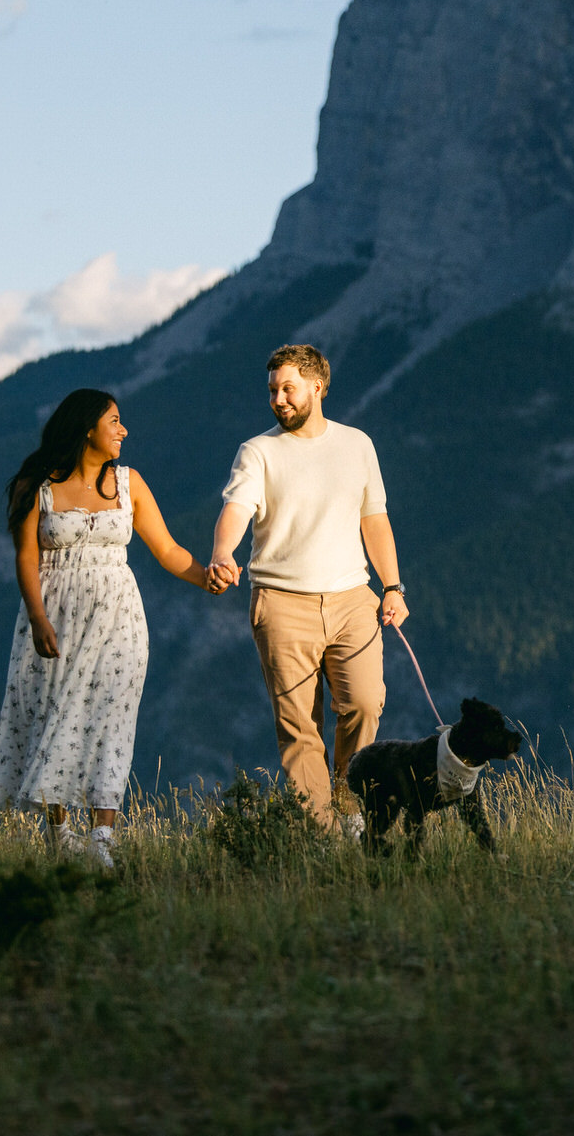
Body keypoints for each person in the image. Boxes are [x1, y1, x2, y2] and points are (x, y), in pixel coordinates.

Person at [0, 387, 226, 868]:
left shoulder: (129, 482)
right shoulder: (36, 485)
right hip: (55, 616)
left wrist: (207, 577)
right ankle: (60, 831)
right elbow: (27, 555)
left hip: (119, 618)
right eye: (114, 421)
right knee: (53, 715)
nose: (123, 430)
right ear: (86, 427)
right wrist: (37, 617)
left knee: (112, 717)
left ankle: (102, 836)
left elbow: (168, 550)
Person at [208, 343, 409, 834]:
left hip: (351, 600)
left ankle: (349, 803)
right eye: (273, 390)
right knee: (299, 728)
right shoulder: (258, 451)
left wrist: (392, 587)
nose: (279, 399)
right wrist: (221, 553)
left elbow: (375, 519)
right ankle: (324, 834)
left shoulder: (357, 444)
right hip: (281, 605)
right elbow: (236, 510)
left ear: (317, 387)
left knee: (364, 702)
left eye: (288, 389)